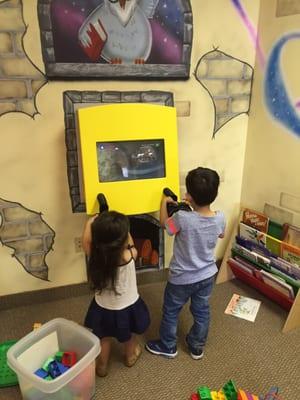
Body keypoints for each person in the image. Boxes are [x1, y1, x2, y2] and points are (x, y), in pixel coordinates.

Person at [145, 167, 225, 360]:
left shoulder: (182, 218)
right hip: (206, 276)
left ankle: (168, 345)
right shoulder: (220, 217)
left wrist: (164, 203)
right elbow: (220, 233)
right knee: (202, 311)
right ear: (214, 194)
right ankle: (197, 347)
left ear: (189, 196)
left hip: (181, 278)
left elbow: (166, 226)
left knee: (171, 311)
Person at [82, 210, 150, 377]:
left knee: (103, 337)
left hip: (102, 308)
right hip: (127, 308)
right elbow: (132, 245)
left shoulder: (95, 256)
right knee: (127, 336)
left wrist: (91, 222)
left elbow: (86, 241)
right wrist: (124, 231)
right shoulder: (129, 255)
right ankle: (130, 356)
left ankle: (102, 365)